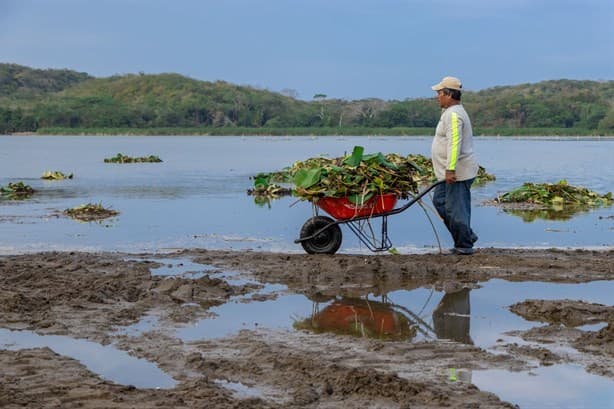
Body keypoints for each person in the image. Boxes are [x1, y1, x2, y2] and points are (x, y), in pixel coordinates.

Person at [430, 76, 479, 255]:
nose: (437, 97)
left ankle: (464, 246)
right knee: (439, 201)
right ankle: (467, 236)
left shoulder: (454, 114)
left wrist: (450, 169)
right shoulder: (450, 112)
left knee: (455, 210)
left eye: (440, 93)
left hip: (457, 172)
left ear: (449, 95)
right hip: (447, 173)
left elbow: (455, 143)